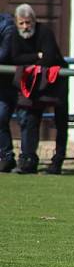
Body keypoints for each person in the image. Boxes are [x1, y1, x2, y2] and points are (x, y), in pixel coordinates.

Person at [9, 4, 69, 174]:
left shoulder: (45, 32)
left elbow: (49, 58)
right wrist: (37, 56)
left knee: (60, 122)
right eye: (21, 23)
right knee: (29, 119)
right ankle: (28, 160)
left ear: (34, 21)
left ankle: (58, 161)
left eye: (28, 22)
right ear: (16, 22)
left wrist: (31, 61)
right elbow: (15, 58)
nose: (25, 27)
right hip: (32, 85)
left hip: (55, 83)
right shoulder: (15, 35)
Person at [0, 10, 17, 172]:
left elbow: (3, 55)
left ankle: (7, 157)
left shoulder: (7, 26)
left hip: (6, 84)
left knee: (0, 118)